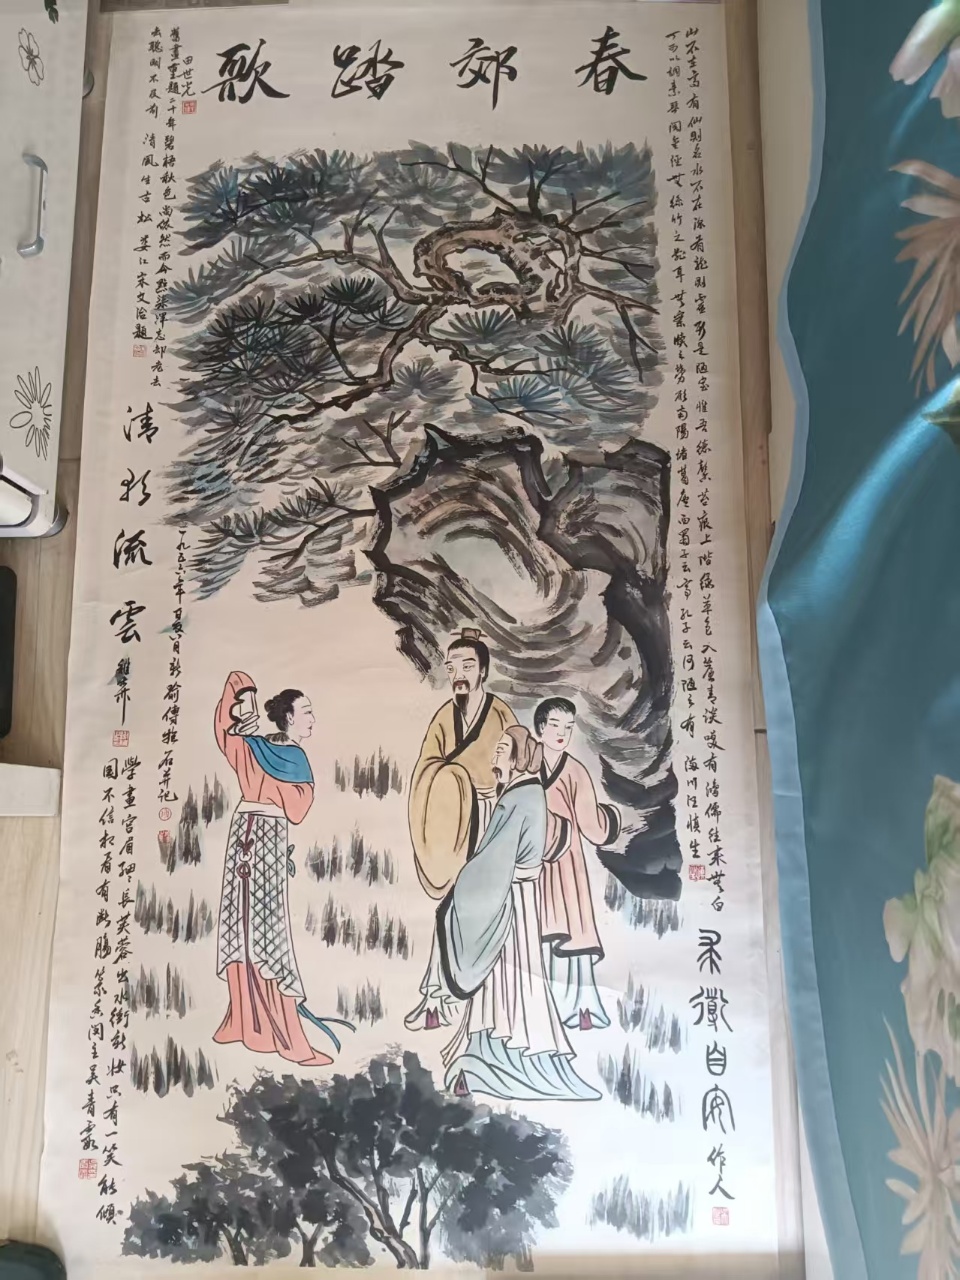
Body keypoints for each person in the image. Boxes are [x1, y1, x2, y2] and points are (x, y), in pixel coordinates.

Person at [437, 725, 600, 1102]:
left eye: (503, 749)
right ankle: (490, 1058)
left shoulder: (521, 796)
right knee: (510, 981)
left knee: (508, 979)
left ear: (519, 756)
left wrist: (463, 886)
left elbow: (495, 858)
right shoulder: (526, 792)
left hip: (509, 897)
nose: (496, 755)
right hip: (515, 896)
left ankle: (498, 1062)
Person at [213, 670, 350, 1065]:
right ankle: (286, 1037)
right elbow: (297, 809)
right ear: (289, 717)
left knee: (241, 924)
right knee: (267, 932)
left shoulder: (250, 745)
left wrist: (238, 693)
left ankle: (245, 1021)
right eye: (307, 712)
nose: (312, 719)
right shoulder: (293, 757)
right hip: (268, 838)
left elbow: (224, 735)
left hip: (242, 834)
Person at [405, 629, 517, 1031]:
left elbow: (517, 767)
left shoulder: (500, 714)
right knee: (449, 909)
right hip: (453, 823)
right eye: (453, 668)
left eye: (468, 666)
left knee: (484, 909)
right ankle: (436, 996)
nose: (459, 675)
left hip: (488, 819)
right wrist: (452, 782)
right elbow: (426, 769)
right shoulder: (443, 718)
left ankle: (487, 1008)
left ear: (483, 670)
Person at [534, 697, 622, 1031]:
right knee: (536, 935)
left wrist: (607, 822)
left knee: (572, 933)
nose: (561, 733)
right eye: (555, 725)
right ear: (540, 729)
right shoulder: (526, 767)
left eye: (568, 727)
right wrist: (613, 820)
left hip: (567, 864)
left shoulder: (574, 771)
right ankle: (542, 1008)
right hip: (532, 865)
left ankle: (580, 1006)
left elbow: (591, 825)